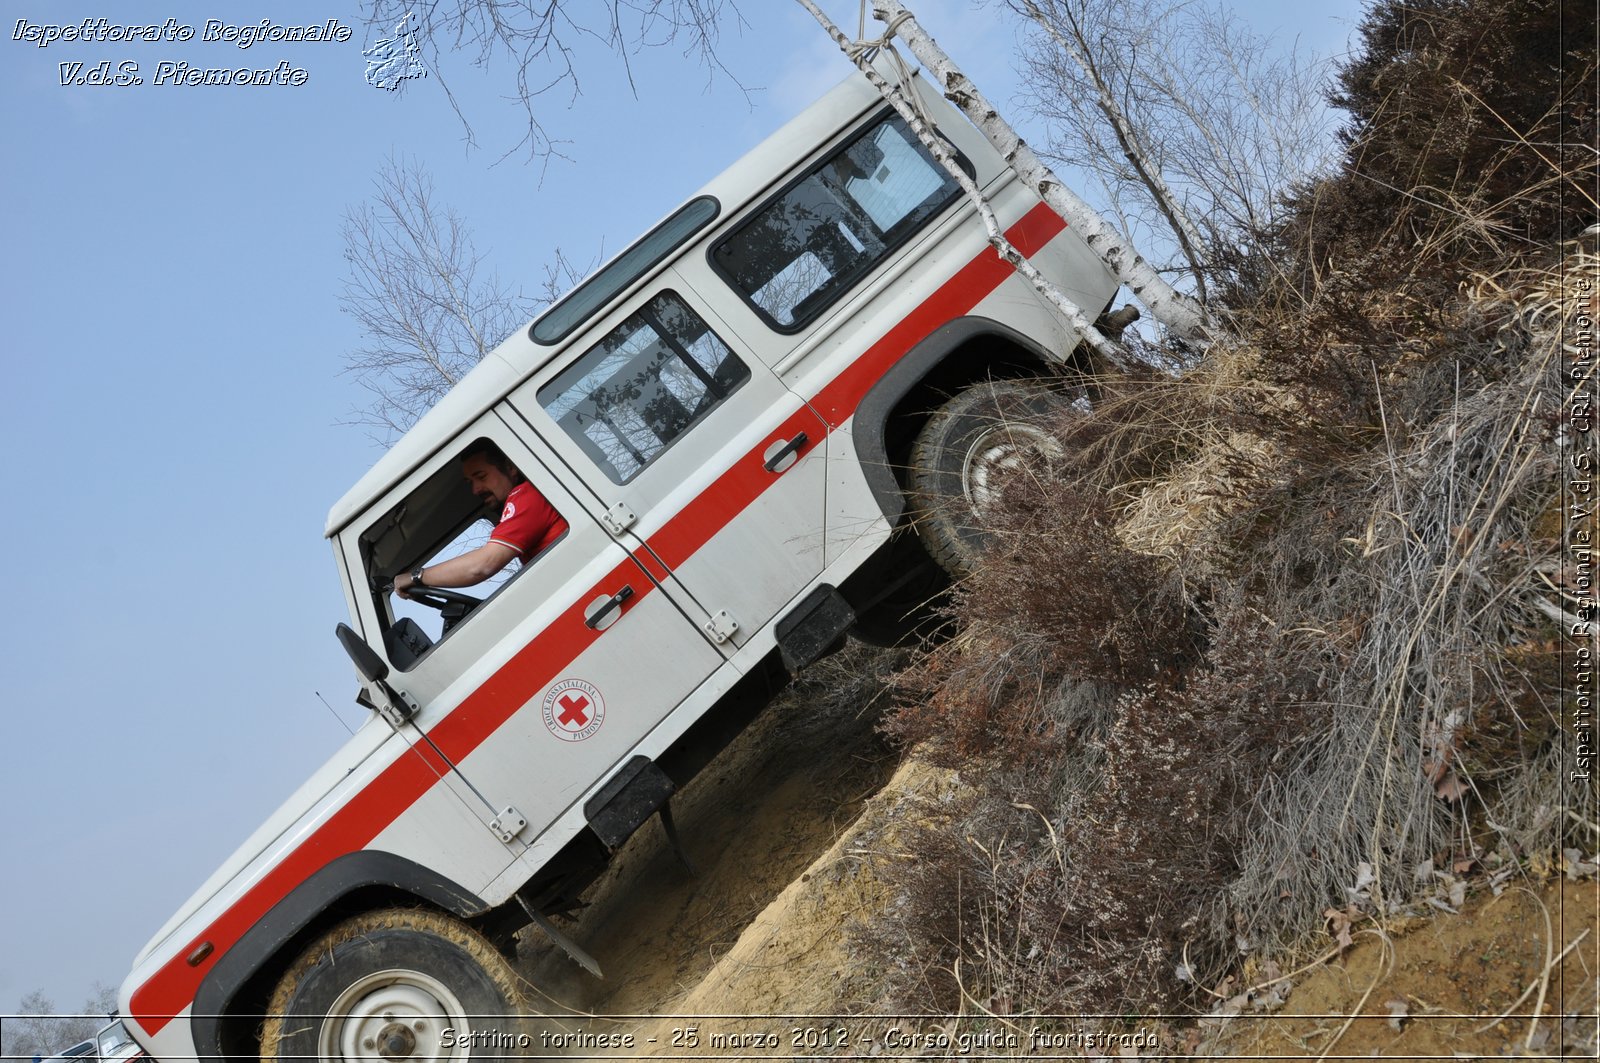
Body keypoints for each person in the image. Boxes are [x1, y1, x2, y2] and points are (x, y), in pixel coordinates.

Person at [394, 441, 568, 598]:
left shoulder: (526, 494)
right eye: (471, 482)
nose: (476, 490)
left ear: (510, 467)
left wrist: (416, 576)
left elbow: (481, 566)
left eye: (481, 476)